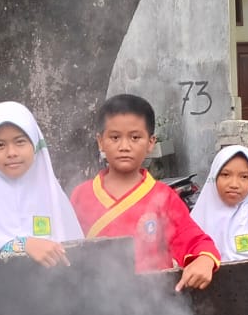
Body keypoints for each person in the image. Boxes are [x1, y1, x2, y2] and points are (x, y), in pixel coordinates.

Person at [69, 94, 220, 291]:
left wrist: (204, 260)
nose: (124, 146)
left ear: (151, 142)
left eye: (135, 137)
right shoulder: (81, 195)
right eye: (115, 137)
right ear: (100, 142)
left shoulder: (164, 197)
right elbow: (66, 250)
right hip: (95, 300)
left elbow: (194, 240)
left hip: (153, 305)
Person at [0, 102, 83, 266]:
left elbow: (74, 250)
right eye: (0, 145)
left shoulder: (52, 193)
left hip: (51, 288)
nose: (12, 153)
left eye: (20, 141)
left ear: (35, 144)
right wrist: (25, 244)